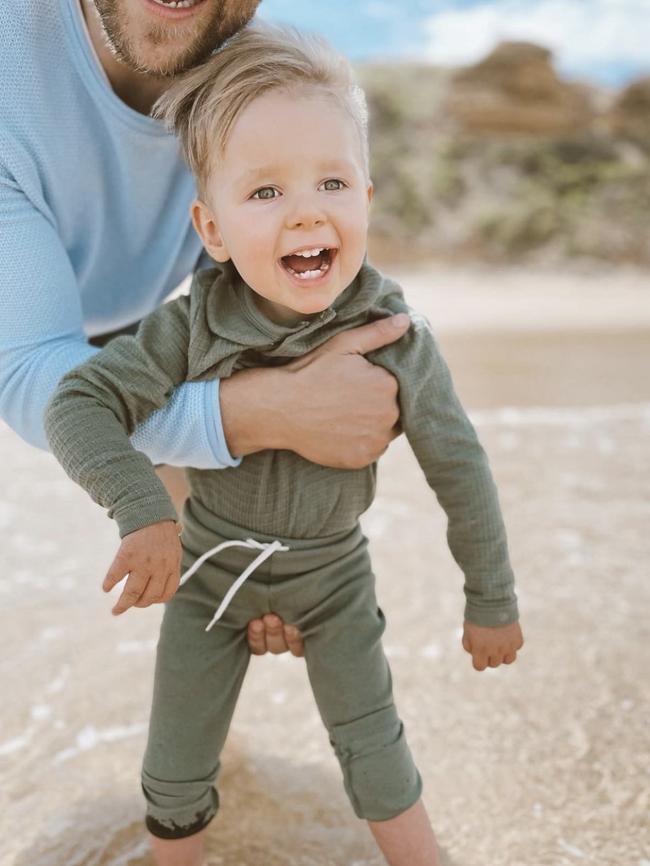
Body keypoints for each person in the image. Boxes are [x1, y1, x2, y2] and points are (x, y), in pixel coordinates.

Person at [45, 21, 524, 866]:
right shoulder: (190, 325)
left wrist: (490, 598)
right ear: (213, 229)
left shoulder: (397, 334)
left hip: (334, 580)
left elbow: (461, 467)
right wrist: (143, 511)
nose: (306, 209)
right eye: (264, 192)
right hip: (208, 573)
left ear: (367, 202)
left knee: (374, 746)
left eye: (333, 181)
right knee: (175, 762)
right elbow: (78, 399)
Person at [0, 0, 413, 657]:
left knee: (223, 555)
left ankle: (207, 730)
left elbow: (295, 310)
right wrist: (265, 413)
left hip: (137, 314)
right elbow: (27, 371)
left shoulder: (263, 80)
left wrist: (294, 553)